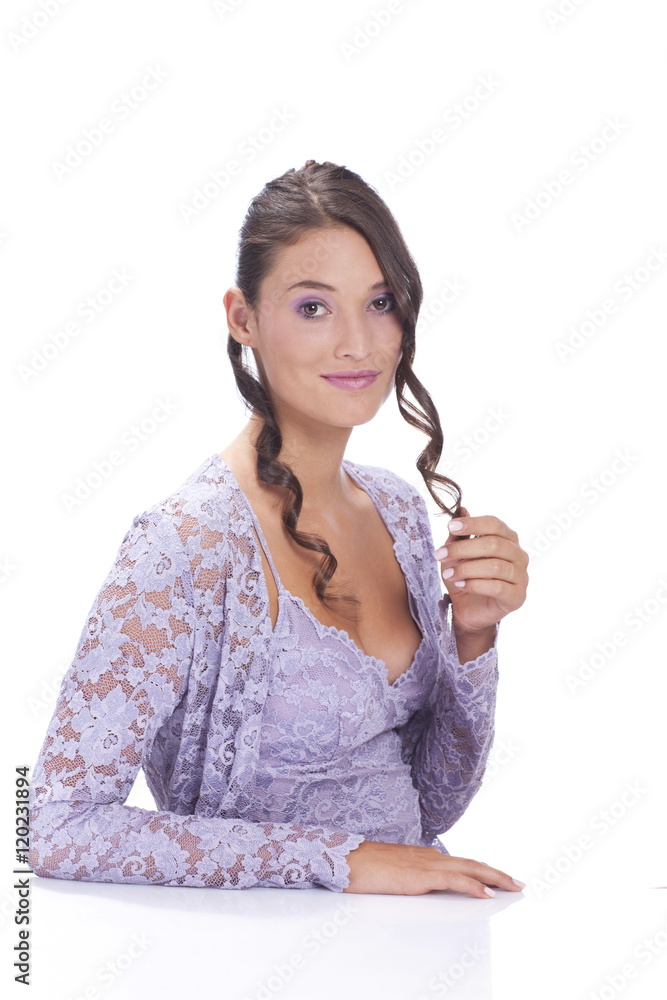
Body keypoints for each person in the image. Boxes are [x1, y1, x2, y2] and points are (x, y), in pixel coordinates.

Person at [29, 159, 529, 898]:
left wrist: (474, 636)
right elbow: (56, 826)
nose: (358, 343)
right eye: (313, 307)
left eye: (380, 302)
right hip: (258, 953)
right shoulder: (186, 545)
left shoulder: (395, 511)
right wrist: (339, 860)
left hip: (423, 940)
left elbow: (429, 807)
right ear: (243, 318)